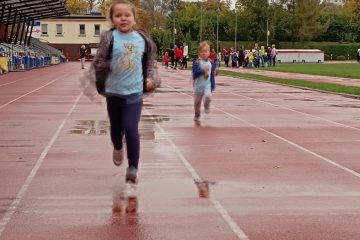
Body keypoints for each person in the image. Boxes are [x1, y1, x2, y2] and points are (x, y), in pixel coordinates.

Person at [91, 0, 156, 197]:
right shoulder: (109, 38)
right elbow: (98, 61)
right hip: (113, 92)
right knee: (116, 130)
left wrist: (150, 78)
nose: (123, 18)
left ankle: (132, 174)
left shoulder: (142, 40)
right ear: (112, 20)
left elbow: (149, 62)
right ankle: (118, 147)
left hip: (134, 93)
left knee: (131, 128)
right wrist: (105, 67)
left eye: (127, 15)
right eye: (118, 15)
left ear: (134, 18)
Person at [191, 41, 217, 122]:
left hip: (207, 85)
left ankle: (206, 107)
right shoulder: (197, 63)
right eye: (202, 51)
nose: (204, 53)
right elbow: (194, 74)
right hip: (198, 87)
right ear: (199, 53)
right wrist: (202, 71)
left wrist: (213, 84)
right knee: (197, 103)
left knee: (208, 96)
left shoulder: (211, 63)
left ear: (209, 53)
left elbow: (212, 75)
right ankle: (197, 114)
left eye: (206, 51)